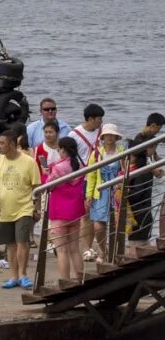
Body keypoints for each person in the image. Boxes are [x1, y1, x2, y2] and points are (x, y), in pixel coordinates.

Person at [0, 128, 41, 289]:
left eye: (2, 143)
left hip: (24, 208)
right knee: (10, 244)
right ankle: (14, 276)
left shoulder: (28, 162)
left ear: (11, 144)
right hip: (3, 210)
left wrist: (36, 208)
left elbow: (36, 187)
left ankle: (23, 275)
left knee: (22, 241)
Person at [46, 136, 86, 282]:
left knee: (61, 250)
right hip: (75, 211)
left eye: (59, 149)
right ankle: (80, 279)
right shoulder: (80, 165)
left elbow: (48, 186)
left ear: (63, 149)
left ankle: (65, 281)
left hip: (59, 212)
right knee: (75, 249)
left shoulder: (58, 168)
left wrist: (46, 175)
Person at [85, 123, 124, 262]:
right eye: (107, 134)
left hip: (117, 192)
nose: (109, 137)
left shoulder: (122, 151)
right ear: (103, 136)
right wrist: (89, 195)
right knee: (98, 226)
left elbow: (125, 171)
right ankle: (103, 250)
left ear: (116, 137)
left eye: (112, 134)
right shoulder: (96, 153)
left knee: (116, 224)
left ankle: (116, 253)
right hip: (100, 193)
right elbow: (91, 176)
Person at [71, 103, 104, 257]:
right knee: (86, 213)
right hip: (82, 178)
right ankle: (85, 248)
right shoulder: (74, 135)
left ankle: (91, 247)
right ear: (90, 119)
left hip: (100, 177)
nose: (100, 123)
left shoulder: (103, 133)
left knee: (98, 213)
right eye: (98, 120)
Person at [128, 113, 165, 246]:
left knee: (145, 217)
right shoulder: (139, 141)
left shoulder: (150, 140)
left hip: (143, 187)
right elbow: (138, 161)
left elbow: (155, 157)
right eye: (158, 129)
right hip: (139, 184)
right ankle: (139, 245)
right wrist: (153, 170)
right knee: (142, 218)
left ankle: (142, 243)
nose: (158, 131)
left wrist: (156, 169)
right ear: (153, 125)